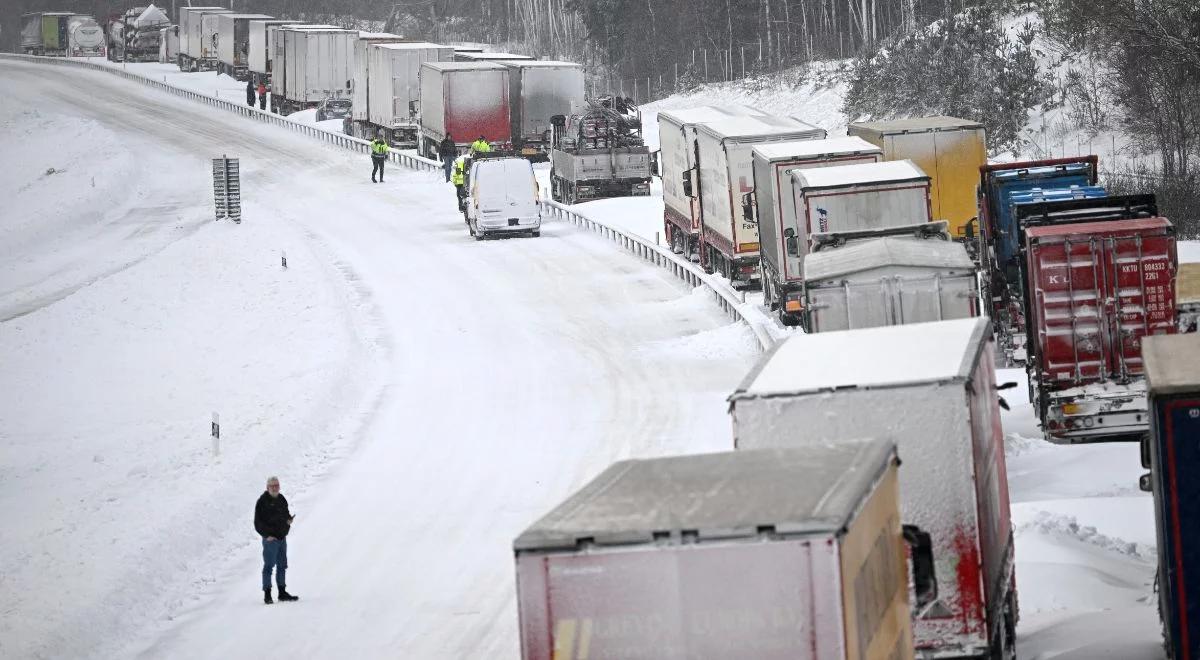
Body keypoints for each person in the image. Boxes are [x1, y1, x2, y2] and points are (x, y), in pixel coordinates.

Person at [254, 476, 298, 604]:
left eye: (276, 485)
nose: (275, 488)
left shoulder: (281, 499)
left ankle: (282, 592)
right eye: (272, 486)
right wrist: (267, 535)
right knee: (268, 566)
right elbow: (257, 522)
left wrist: (288, 520)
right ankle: (267, 594)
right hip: (270, 540)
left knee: (282, 565)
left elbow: (285, 514)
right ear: (267, 488)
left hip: (281, 538)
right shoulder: (262, 502)